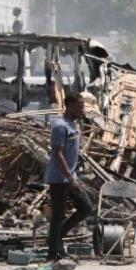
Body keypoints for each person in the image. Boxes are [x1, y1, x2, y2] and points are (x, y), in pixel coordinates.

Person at [44, 94, 93, 261]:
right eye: (79, 106)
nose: (82, 109)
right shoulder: (60, 126)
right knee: (58, 215)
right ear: (69, 105)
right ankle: (53, 252)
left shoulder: (74, 124)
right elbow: (58, 154)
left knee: (86, 207)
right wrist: (70, 179)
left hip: (70, 175)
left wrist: (73, 176)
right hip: (59, 177)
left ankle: (56, 239)